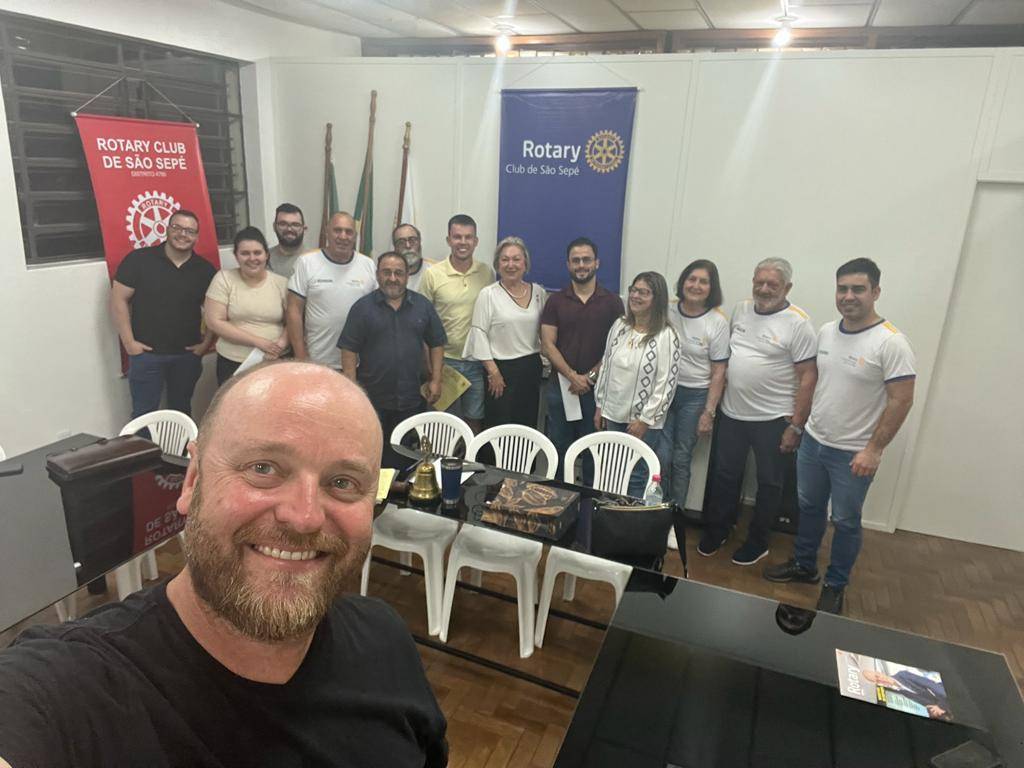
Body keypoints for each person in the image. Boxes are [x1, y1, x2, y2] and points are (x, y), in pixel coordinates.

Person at [0, 361, 448, 766]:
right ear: (192, 481)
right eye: (263, 468)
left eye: (343, 482)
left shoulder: (385, 639)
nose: (304, 517)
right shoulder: (65, 690)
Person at [765, 258, 915, 614]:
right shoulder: (827, 332)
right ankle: (805, 566)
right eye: (842, 289)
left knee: (845, 521)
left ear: (875, 292)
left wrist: (874, 449)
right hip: (814, 442)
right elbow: (816, 382)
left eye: (858, 289)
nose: (848, 296)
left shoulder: (891, 343)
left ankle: (835, 584)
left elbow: (902, 399)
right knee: (809, 508)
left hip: (853, 454)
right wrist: (799, 426)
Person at [701, 258, 818, 567]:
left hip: (774, 419)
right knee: (726, 476)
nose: (764, 289)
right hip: (732, 414)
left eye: (772, 284)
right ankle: (719, 530)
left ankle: (758, 541)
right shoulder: (741, 310)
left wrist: (796, 425)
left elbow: (808, 377)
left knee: (769, 483)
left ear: (787, 288)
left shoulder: (799, 323)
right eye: (759, 282)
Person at [339, 252, 447, 468]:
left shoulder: (422, 306)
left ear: (407, 276)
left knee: (407, 456)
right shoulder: (362, 308)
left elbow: (437, 343)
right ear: (378, 275)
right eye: (386, 272)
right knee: (373, 454)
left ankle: (402, 489)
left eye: (398, 273)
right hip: (373, 398)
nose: (392, 278)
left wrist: (436, 380)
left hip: (412, 398)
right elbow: (348, 350)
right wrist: (352, 390)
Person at [110, 208, 216, 419]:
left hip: (187, 357)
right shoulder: (139, 260)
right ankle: (144, 444)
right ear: (167, 229)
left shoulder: (205, 270)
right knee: (143, 416)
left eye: (190, 231)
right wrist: (129, 343)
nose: (183, 234)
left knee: (181, 413)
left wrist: (206, 344)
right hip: (146, 355)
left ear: (196, 236)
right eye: (177, 228)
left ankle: (179, 444)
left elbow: (215, 312)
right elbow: (118, 300)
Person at [540, 237, 624, 483]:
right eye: (575, 260)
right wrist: (572, 376)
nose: (581, 265)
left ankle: (589, 503)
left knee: (594, 450)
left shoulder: (613, 302)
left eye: (586, 259)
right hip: (561, 388)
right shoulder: (555, 301)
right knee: (559, 448)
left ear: (597, 263)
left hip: (597, 392)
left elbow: (616, 348)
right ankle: (557, 497)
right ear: (568, 264)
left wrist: (589, 378)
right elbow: (547, 344)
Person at [594, 272, 680, 499]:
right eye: (634, 290)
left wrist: (645, 420)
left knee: (636, 475)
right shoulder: (620, 326)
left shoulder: (667, 336)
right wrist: (600, 405)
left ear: (657, 298)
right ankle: (608, 514)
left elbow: (666, 384)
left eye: (644, 292)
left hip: (642, 421)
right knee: (611, 471)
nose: (635, 296)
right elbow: (606, 366)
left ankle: (629, 517)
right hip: (613, 413)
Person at [659, 260, 729, 514]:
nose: (696, 286)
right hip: (664, 393)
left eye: (703, 281)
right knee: (661, 455)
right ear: (683, 282)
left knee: (681, 458)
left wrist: (709, 412)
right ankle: (657, 512)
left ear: (712, 287)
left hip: (695, 397)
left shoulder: (717, 321)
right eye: (692, 279)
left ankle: (675, 516)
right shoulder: (667, 310)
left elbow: (719, 371)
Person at [419, 214, 494, 433]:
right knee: (441, 427)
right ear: (448, 240)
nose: (463, 242)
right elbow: (423, 325)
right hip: (444, 363)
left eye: (468, 237)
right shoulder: (432, 275)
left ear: (476, 241)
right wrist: (431, 369)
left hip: (477, 362)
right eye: (457, 237)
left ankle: (470, 457)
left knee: (474, 422)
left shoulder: (486, 272)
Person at [463, 236, 547, 429]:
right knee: (499, 426)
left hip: (531, 369)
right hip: (500, 371)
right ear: (497, 264)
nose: (511, 265)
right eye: (505, 259)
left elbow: (544, 332)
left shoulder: (538, 293)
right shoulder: (488, 294)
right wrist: (493, 373)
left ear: (525, 263)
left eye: (516, 259)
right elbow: (479, 335)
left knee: (526, 426)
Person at [286, 212, 376, 369]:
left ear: (355, 236)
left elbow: (377, 310)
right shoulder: (306, 263)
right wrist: (300, 357)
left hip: (360, 361)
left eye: (349, 232)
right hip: (318, 360)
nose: (343, 236)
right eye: (337, 230)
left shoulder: (368, 264)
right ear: (327, 232)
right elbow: (294, 310)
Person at [204, 226, 289, 385]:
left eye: (257, 252)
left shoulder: (281, 283)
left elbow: (293, 321)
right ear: (236, 256)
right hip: (233, 362)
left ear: (266, 254)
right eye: (245, 253)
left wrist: (280, 345)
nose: (252, 258)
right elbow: (214, 322)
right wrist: (258, 342)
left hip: (274, 360)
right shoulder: (223, 279)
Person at [861, 669, 949, 719]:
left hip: (947, 696)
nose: (880, 680)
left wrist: (941, 706)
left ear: (879, 672)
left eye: (877, 676)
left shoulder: (903, 675)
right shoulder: (894, 691)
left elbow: (932, 685)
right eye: (877, 681)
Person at [268, 202, 310, 279]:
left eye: (295, 225)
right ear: (274, 227)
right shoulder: (263, 259)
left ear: (304, 229)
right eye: (283, 224)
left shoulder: (315, 260)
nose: (289, 229)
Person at [392, 222, 437, 293]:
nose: (408, 246)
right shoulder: (388, 274)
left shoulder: (436, 270)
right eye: (401, 242)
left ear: (420, 243)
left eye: (412, 240)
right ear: (395, 248)